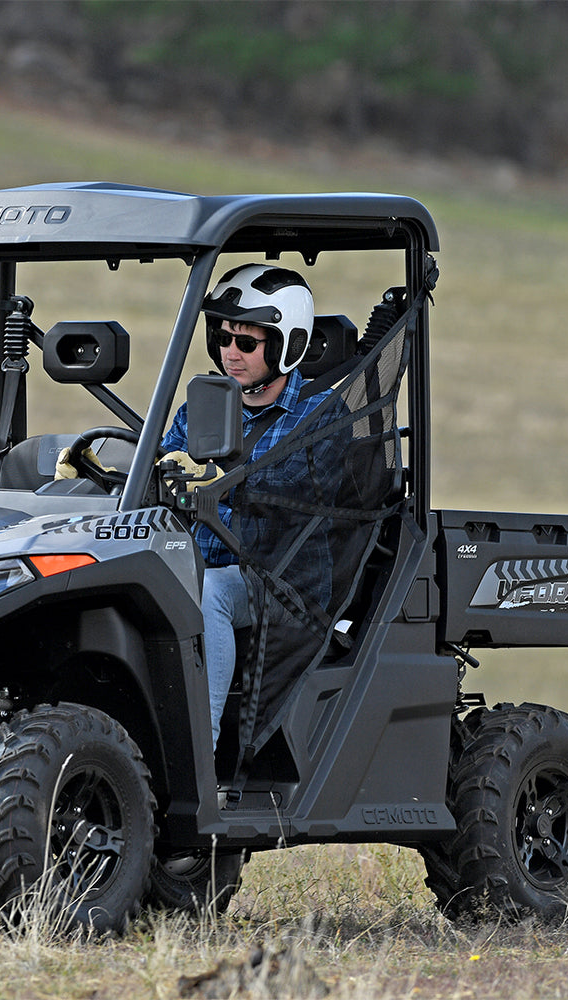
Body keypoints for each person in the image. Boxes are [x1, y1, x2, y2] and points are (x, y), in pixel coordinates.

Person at [162, 263, 345, 747]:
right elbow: (162, 468)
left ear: (287, 345)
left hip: (280, 577)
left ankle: (202, 750)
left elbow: (292, 493)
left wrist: (218, 478)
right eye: (221, 338)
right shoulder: (196, 409)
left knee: (212, 593)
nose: (230, 354)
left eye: (246, 343)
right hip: (197, 560)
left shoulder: (322, 414)